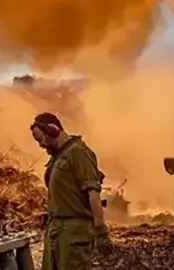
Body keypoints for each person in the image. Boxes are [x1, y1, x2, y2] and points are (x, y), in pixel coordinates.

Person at [30, 112, 113, 269]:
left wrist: (101, 231)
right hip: (56, 233)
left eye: (41, 139)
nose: (41, 145)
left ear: (53, 130)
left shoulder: (78, 153)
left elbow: (93, 193)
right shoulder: (58, 157)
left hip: (74, 234)